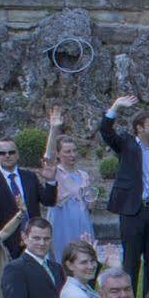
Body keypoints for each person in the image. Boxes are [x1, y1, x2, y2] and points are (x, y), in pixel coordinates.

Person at [99, 94, 149, 298]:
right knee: (131, 260)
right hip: (132, 211)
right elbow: (105, 131)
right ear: (139, 128)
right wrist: (116, 106)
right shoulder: (126, 145)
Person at [0, 135, 55, 259]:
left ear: (17, 154)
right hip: (8, 243)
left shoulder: (30, 176)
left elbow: (49, 201)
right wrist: (0, 240)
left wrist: (50, 181)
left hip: (34, 240)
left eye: (11, 152)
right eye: (2, 153)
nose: (7, 156)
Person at [42, 110, 97, 260]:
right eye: (67, 151)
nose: (72, 154)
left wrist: (91, 200)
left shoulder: (83, 175)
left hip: (82, 220)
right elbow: (48, 156)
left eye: (74, 151)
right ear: (59, 154)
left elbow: (89, 205)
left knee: (84, 256)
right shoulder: (56, 172)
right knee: (63, 258)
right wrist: (54, 129)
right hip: (62, 221)